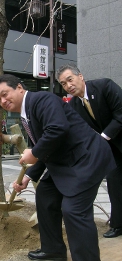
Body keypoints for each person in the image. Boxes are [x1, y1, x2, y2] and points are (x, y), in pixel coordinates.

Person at [0, 74, 116, 261]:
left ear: (18, 88)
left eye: (4, 94)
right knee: (45, 195)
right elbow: (48, 145)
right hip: (65, 161)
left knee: (73, 210)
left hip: (87, 158)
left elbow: (57, 129)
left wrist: (33, 153)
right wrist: (29, 176)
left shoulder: (42, 99)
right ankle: (53, 250)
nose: (2, 101)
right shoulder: (27, 113)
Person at [56, 64, 122, 238]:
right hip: (111, 149)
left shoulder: (104, 86)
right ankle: (118, 224)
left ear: (81, 76)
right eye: (63, 84)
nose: (68, 85)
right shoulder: (73, 105)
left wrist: (103, 137)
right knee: (114, 184)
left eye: (70, 80)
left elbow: (121, 113)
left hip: (115, 137)